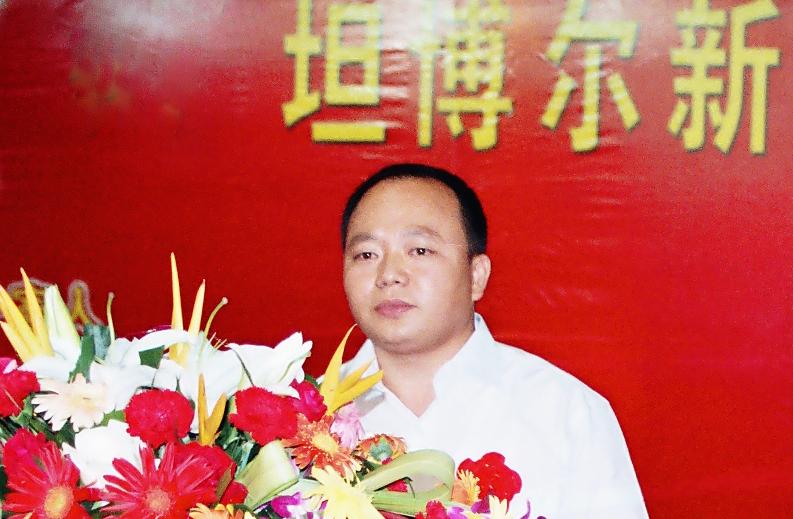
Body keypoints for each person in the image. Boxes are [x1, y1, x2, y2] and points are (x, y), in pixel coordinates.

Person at [339, 163, 648, 518]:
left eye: (419, 251)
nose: (389, 274)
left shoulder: (566, 412)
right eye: (366, 255)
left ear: (476, 275)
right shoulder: (306, 422)